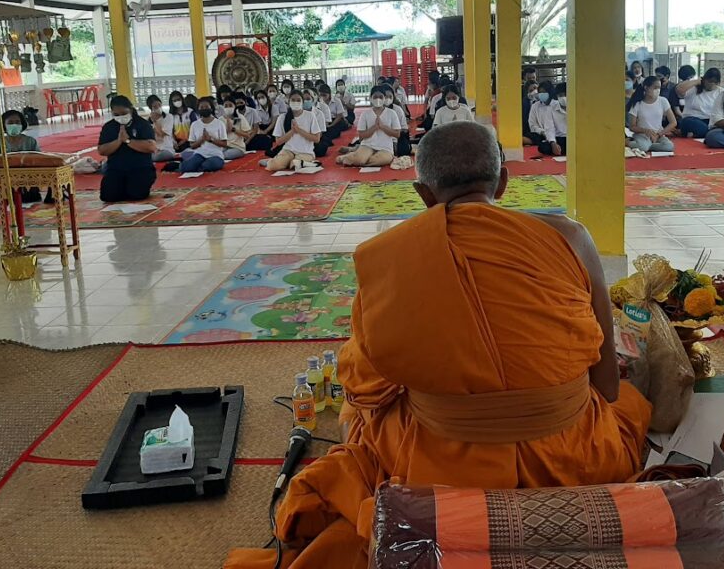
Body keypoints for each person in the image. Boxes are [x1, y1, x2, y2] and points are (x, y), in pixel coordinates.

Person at [226, 122, 651, 569]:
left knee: (358, 414)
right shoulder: (571, 237)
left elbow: (365, 386)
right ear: (503, 182)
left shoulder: (390, 255)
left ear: (423, 195)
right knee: (632, 404)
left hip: (440, 469)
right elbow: (607, 386)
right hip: (574, 456)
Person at [97, 95, 157, 202]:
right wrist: (118, 141)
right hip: (116, 168)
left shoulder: (142, 124)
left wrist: (128, 141)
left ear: (131, 110)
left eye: (124, 113)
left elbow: (151, 147)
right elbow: (102, 150)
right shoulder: (109, 127)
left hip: (140, 167)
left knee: (136, 194)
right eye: (116, 115)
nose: (120, 117)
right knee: (108, 196)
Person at [0, 109, 48, 203]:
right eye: (10, 122)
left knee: (31, 200)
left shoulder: (30, 141)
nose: (14, 125)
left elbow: (39, 160)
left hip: (28, 183)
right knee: (8, 202)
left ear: (22, 124)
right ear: (4, 125)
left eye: (17, 122)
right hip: (7, 183)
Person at [337, 86, 402, 167]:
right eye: (375, 97)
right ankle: (355, 157)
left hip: (385, 147)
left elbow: (397, 134)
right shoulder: (365, 114)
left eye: (380, 97)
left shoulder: (392, 113)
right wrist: (374, 128)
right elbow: (361, 136)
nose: (378, 99)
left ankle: (354, 157)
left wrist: (382, 127)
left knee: (379, 160)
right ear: (370, 98)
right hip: (368, 145)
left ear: (384, 98)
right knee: (360, 160)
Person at [266, 89, 323, 171]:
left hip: (305, 152)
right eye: (293, 100)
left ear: (302, 102)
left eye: (298, 100)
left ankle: (305, 163)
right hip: (288, 151)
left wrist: (299, 130)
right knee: (272, 166)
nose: (296, 102)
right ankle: (280, 161)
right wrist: (292, 131)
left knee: (294, 165)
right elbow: (278, 142)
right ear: (288, 101)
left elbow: (317, 139)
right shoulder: (282, 117)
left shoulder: (310, 116)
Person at [627, 76, 676, 153]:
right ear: (646, 87)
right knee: (643, 147)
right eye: (655, 87)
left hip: (658, 135)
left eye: (659, 88)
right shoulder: (637, 104)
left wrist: (659, 134)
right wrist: (646, 131)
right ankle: (629, 142)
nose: (658, 90)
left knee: (669, 146)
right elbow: (632, 127)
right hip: (642, 135)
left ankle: (647, 145)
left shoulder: (663, 101)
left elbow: (673, 122)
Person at [181, 97, 227, 173]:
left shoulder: (219, 123)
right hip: (200, 154)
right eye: (201, 107)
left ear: (211, 108)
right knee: (186, 167)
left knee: (209, 165)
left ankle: (200, 167)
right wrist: (201, 140)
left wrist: (211, 139)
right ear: (198, 109)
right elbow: (192, 146)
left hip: (216, 155)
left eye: (206, 107)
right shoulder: (194, 124)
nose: (204, 109)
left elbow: (224, 144)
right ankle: (197, 166)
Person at [677, 67, 722, 138]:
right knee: (690, 122)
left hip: (711, 121)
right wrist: (697, 81)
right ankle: (709, 133)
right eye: (710, 81)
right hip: (693, 119)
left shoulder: (720, 91)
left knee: (718, 127)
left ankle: (709, 133)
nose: (712, 84)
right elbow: (679, 89)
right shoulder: (694, 88)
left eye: (715, 82)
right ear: (704, 80)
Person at [146, 94, 177, 162]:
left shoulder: (168, 117)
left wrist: (155, 121)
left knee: (156, 157)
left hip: (167, 149)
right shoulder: (148, 121)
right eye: (155, 106)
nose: (158, 107)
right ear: (151, 108)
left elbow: (161, 134)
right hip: (154, 149)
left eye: (159, 105)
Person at [521, 79, 537, 146]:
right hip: (529, 130)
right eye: (531, 91)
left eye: (535, 88)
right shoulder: (524, 103)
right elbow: (525, 121)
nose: (534, 91)